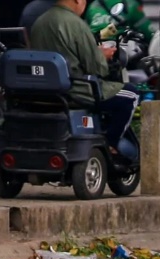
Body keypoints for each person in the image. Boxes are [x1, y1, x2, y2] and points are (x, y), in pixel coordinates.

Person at [29, 0, 140, 151]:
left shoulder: (39, 23)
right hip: (75, 91)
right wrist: (102, 55)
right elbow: (97, 68)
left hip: (44, 91)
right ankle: (110, 145)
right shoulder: (76, 24)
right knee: (131, 94)